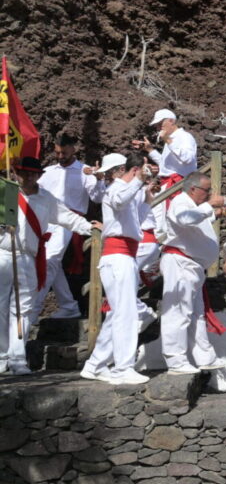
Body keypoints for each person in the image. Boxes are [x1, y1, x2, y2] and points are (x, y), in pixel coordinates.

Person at [1, 156, 99, 375]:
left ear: (38, 176)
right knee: (0, 307)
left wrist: (90, 227)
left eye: (32, 173)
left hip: (28, 256)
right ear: (17, 173)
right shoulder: (7, 192)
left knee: (24, 309)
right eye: (24, 173)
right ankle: (0, 357)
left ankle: (17, 358)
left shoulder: (47, 198)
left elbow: (68, 218)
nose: (28, 177)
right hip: (3, 252)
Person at [80, 153, 153, 385]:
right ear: (125, 170)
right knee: (126, 315)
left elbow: (134, 221)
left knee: (117, 315)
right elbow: (121, 202)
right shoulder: (116, 189)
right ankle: (123, 367)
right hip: (118, 256)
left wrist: (146, 198)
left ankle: (95, 365)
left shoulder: (123, 191)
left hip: (123, 256)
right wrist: (139, 181)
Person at [160, 171, 226, 374]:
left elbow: (197, 224)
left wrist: (215, 212)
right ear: (193, 189)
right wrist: (210, 205)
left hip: (193, 266)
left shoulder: (195, 206)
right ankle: (175, 359)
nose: (208, 195)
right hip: (181, 263)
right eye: (206, 191)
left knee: (196, 314)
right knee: (178, 312)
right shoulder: (180, 202)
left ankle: (203, 356)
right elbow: (184, 220)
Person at [32, 134, 104, 322]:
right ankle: (69, 305)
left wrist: (98, 178)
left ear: (74, 149)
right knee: (51, 262)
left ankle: (34, 305)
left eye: (64, 152)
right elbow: (34, 193)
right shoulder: (47, 171)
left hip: (69, 221)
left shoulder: (84, 171)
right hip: (46, 219)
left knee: (50, 259)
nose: (60, 155)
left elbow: (97, 198)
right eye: (57, 152)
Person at [133, 108, 197, 239]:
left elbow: (188, 158)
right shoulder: (173, 139)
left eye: (160, 123)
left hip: (178, 184)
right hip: (167, 184)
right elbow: (165, 164)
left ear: (171, 121)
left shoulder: (184, 137)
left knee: (171, 222)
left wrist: (168, 140)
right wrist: (149, 150)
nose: (158, 127)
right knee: (160, 222)